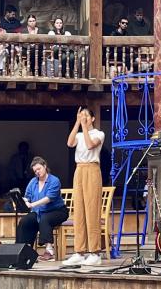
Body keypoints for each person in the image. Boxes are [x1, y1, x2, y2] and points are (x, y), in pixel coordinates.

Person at [63, 107, 105, 267]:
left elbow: (89, 145)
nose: (84, 118)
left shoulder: (99, 134)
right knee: (79, 211)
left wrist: (84, 127)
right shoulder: (79, 134)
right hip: (79, 169)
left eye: (86, 115)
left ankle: (94, 252)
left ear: (93, 119)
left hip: (92, 169)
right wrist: (77, 122)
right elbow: (69, 142)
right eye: (81, 115)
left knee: (92, 210)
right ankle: (79, 251)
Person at [16, 156, 69, 262]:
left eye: (39, 169)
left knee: (45, 219)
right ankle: (25, 250)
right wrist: (25, 201)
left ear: (45, 166)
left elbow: (49, 198)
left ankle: (49, 250)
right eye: (35, 171)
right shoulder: (33, 182)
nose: (37, 172)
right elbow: (27, 196)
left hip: (57, 211)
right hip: (39, 211)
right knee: (25, 221)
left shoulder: (54, 180)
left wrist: (33, 204)